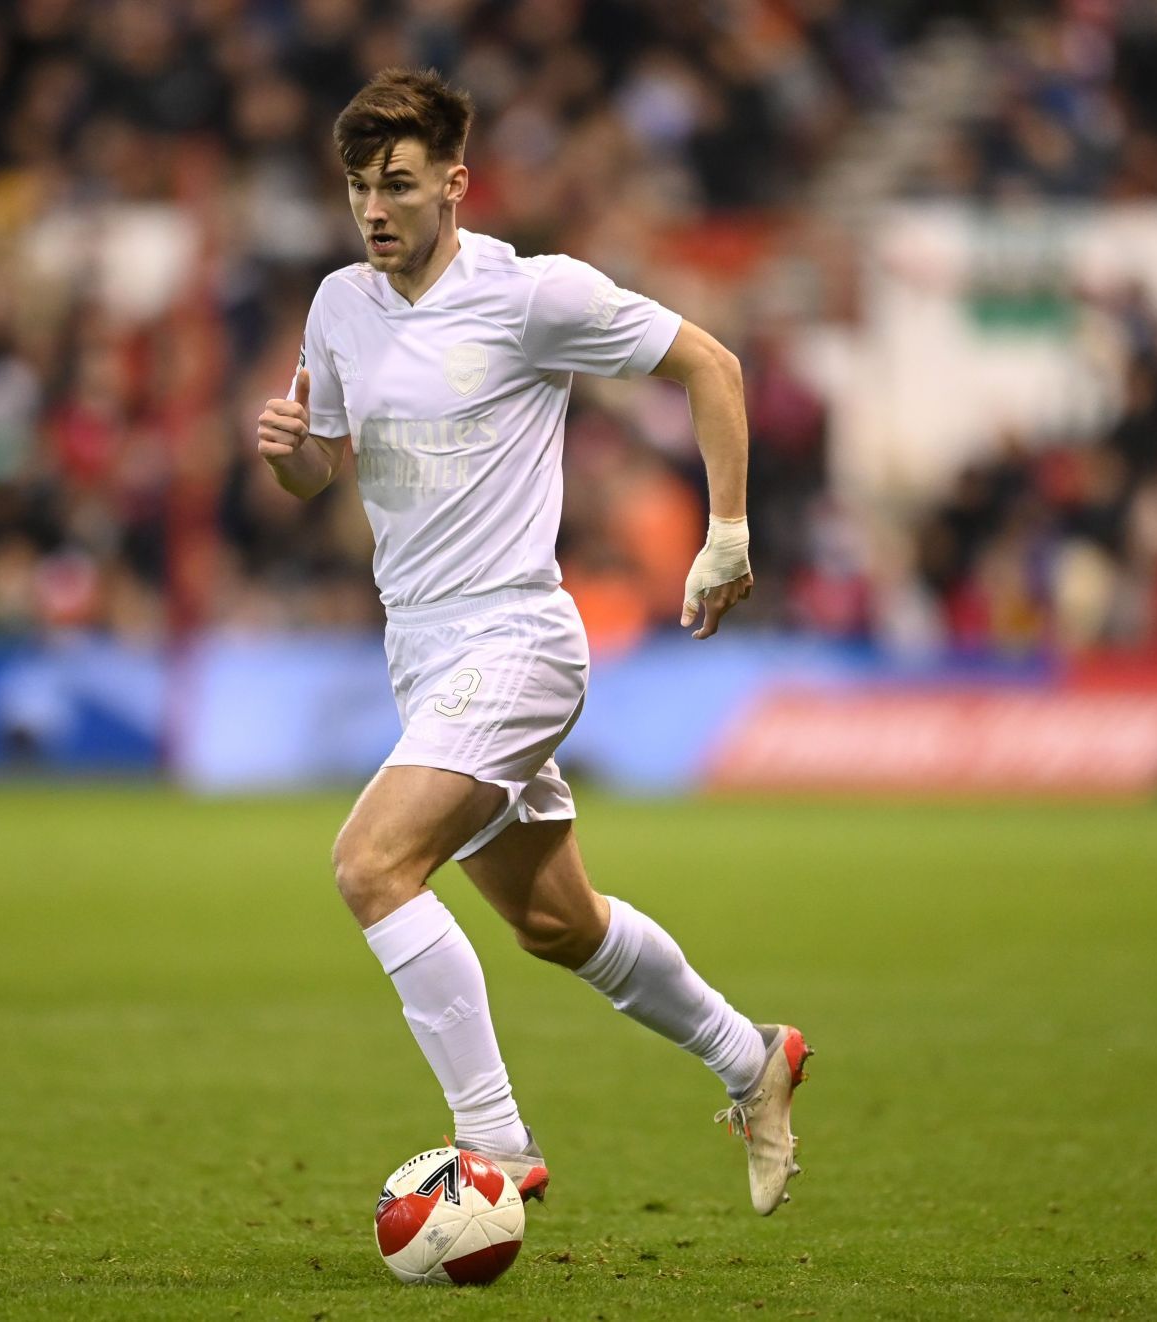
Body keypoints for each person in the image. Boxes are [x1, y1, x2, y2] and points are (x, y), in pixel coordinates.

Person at [255, 68, 808, 1214]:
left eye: (398, 183)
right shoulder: (338, 306)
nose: (374, 207)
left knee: (370, 864)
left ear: (456, 184)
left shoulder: (532, 295)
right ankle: (752, 1057)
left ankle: (494, 1142)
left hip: (518, 636)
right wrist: (288, 453)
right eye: (359, 185)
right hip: (422, 653)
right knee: (558, 922)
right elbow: (320, 469)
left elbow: (712, 362)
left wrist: (729, 533)